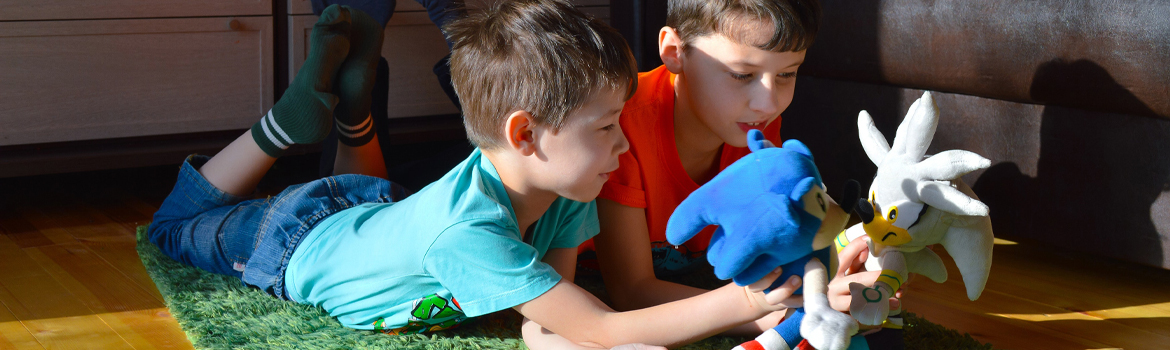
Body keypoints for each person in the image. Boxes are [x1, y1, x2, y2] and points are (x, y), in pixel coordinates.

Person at [148, 2, 801, 349]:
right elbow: (600, 325)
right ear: (525, 135)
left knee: (381, 206)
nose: (623, 145)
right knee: (170, 227)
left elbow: (556, 318)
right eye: (606, 127)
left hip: (383, 210)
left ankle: (355, 117)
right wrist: (748, 303)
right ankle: (283, 128)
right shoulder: (469, 238)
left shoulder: (570, 185)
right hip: (287, 241)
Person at [573, 0, 902, 345]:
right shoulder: (619, 127)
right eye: (742, 75)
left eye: (787, 74)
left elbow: (784, 235)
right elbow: (632, 291)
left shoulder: (754, 126)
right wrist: (780, 309)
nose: (769, 103)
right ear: (674, 52)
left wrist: (831, 265)